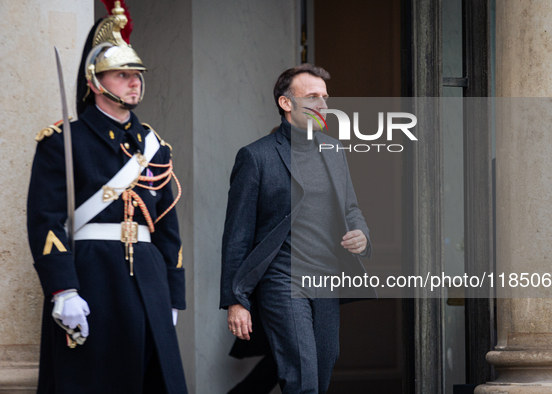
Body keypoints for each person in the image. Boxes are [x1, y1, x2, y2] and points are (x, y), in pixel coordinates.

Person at [27, 2, 187, 392]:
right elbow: (45, 220)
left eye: (137, 75)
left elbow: (166, 226)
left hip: (148, 276)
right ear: (96, 81)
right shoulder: (64, 141)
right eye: (122, 75)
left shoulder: (155, 147)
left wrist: (173, 291)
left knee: (153, 379)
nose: (134, 83)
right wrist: (63, 289)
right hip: (92, 275)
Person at [220, 64, 374, 393]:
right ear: (286, 103)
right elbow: (237, 234)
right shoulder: (256, 157)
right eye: (313, 97)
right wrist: (236, 300)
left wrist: (361, 234)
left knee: (324, 362)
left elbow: (351, 209)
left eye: (326, 98)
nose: (323, 105)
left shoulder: (334, 151)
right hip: (282, 278)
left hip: (326, 276)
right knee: (301, 372)